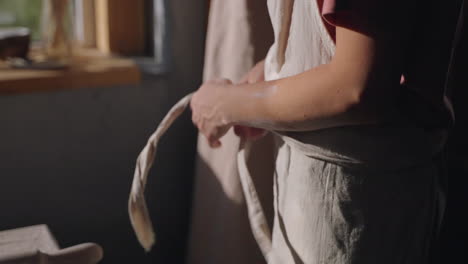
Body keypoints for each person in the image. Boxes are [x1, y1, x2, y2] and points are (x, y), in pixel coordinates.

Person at [191, 0, 461, 263]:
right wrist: (283, 67)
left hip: (357, 204)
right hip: (336, 195)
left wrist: (226, 104)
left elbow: (358, 88)